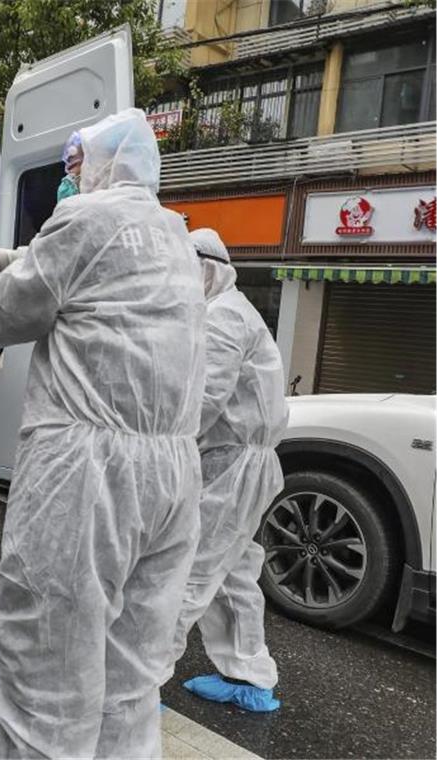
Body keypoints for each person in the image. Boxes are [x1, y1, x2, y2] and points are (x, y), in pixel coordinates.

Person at [0, 109, 206, 759]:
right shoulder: (176, 235)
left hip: (86, 472)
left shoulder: (81, 219)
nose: (69, 181)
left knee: (44, 674)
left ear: (103, 165)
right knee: (130, 680)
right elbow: (103, 275)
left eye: (75, 167)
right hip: (173, 477)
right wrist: (17, 257)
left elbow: (1, 320)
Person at [162, 228, 289, 713]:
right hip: (234, 462)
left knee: (189, 571)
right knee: (233, 570)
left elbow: (202, 401)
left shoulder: (223, 318)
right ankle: (249, 674)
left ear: (208, 268)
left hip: (232, 465)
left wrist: (162, 450)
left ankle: (134, 685)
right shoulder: (224, 312)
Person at [0, 129, 83, 276]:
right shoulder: (74, 220)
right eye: (67, 171)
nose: (66, 181)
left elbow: (60, 264)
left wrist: (9, 259)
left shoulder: (98, 221)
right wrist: (11, 257)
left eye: (74, 172)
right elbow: (52, 252)